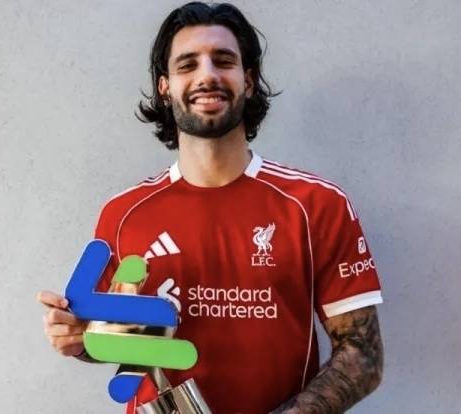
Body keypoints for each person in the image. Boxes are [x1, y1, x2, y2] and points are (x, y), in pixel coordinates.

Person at [38, 2, 384, 413]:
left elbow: (363, 356)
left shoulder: (316, 205)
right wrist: (80, 338)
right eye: (187, 65)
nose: (207, 76)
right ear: (165, 87)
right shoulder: (124, 214)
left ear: (248, 81)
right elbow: (121, 338)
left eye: (223, 61)